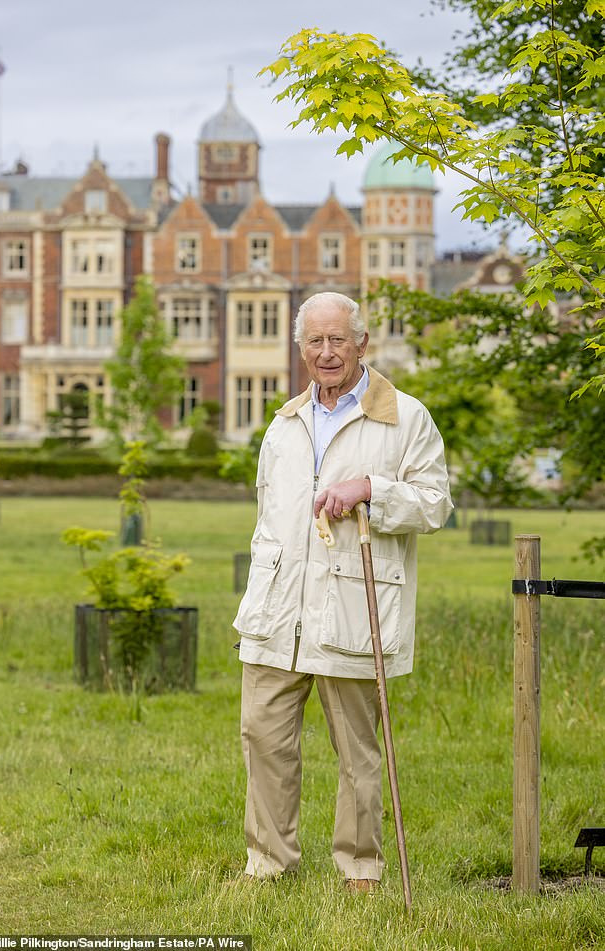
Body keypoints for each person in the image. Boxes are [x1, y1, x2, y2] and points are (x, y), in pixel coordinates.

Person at [233, 291, 453, 891]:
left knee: (356, 751)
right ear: (300, 347)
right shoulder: (284, 423)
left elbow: (435, 505)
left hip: (355, 611)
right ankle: (268, 864)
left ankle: (361, 868)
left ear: (362, 344)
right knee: (263, 736)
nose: (326, 353)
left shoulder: (405, 417)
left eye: (338, 340)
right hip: (277, 614)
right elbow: (267, 519)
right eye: (315, 341)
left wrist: (372, 490)